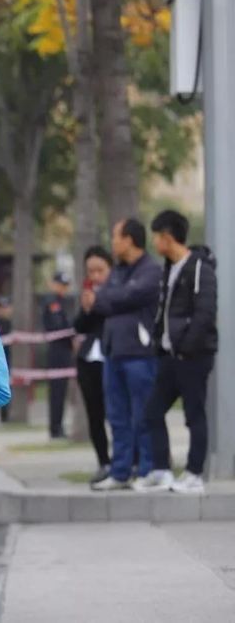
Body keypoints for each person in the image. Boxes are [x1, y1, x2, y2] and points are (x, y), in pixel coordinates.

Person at [136, 210, 217, 494]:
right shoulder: (169, 268)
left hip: (193, 357)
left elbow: (205, 314)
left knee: (194, 415)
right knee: (152, 411)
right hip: (170, 357)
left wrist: (186, 347)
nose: (154, 243)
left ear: (167, 237)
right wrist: (160, 345)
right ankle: (162, 471)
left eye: (157, 237)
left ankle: (194, 474)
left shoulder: (200, 268)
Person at [82, 218, 162, 491]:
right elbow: (106, 301)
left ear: (129, 240)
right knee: (117, 418)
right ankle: (120, 472)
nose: (113, 241)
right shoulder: (117, 271)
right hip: (113, 353)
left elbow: (129, 296)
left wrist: (106, 299)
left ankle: (147, 469)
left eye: (116, 236)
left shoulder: (151, 270)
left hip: (140, 354)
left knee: (143, 415)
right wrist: (109, 299)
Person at [73, 246, 114, 485]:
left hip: (112, 357)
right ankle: (103, 462)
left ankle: (125, 461)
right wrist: (87, 309)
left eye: (100, 270)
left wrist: (97, 305)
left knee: (116, 413)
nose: (96, 276)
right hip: (89, 359)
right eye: (91, 271)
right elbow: (79, 325)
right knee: (94, 414)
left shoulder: (118, 292)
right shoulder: (88, 293)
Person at [43, 271, 73, 439]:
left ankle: (58, 426)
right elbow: (57, 325)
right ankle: (55, 428)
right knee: (57, 392)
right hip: (57, 350)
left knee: (62, 392)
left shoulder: (62, 301)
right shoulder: (52, 302)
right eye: (61, 284)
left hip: (64, 350)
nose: (64, 288)